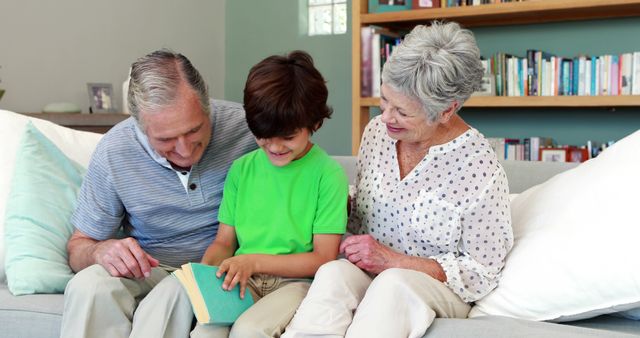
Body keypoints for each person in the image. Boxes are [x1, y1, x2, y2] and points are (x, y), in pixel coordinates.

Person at [283, 21, 514, 338]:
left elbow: (482, 271)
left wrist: (393, 260)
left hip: (434, 286)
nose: (387, 117)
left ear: (447, 110)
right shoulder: (377, 132)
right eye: (384, 100)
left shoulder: (478, 167)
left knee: (394, 283)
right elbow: (362, 212)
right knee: (333, 273)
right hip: (371, 272)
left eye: (403, 112)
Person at [60, 49, 257, 338]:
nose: (184, 150)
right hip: (149, 270)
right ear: (139, 126)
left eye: (194, 131)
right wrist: (98, 250)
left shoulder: (248, 129)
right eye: (165, 139)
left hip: (222, 270)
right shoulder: (115, 150)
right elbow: (79, 247)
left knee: (175, 293)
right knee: (88, 285)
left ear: (207, 106)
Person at [192, 50, 348, 338]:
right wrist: (205, 274)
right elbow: (224, 241)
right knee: (204, 332)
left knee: (249, 331)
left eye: (288, 137)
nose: (275, 147)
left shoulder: (328, 175)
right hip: (243, 279)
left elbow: (323, 258)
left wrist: (253, 261)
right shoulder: (241, 170)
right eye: (263, 136)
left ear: (315, 123)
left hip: (295, 284)